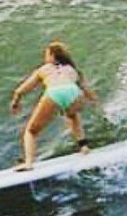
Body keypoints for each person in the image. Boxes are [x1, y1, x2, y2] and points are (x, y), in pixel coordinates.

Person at [9, 40, 99, 170]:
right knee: (72, 116)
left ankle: (28, 163)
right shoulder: (72, 69)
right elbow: (87, 89)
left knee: (31, 131)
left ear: (52, 55)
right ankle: (84, 146)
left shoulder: (44, 69)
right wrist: (94, 101)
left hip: (54, 92)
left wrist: (15, 102)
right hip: (74, 91)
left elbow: (22, 89)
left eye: (46, 54)